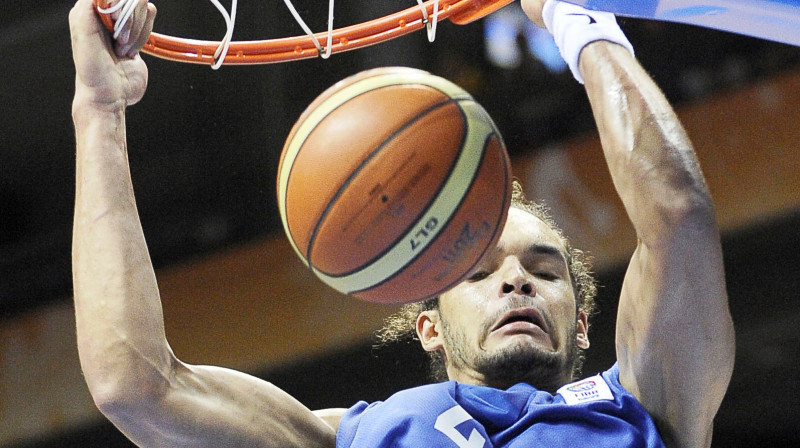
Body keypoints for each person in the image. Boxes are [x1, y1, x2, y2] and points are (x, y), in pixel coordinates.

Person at [69, 0, 735, 446]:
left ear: (583, 322)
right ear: (429, 327)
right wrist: (98, 110)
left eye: (543, 269)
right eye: (477, 271)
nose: (517, 283)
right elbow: (138, 387)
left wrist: (574, 16)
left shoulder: (646, 403)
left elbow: (677, 215)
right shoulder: (356, 438)